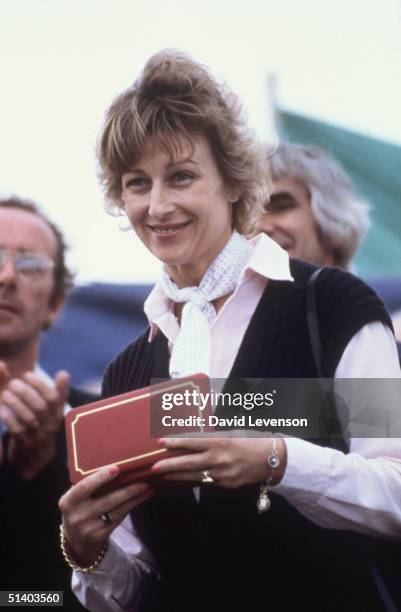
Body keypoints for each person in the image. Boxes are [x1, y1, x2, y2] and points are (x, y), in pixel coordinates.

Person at [59, 50, 401, 612]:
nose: (158, 205)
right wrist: (84, 549)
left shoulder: (332, 305)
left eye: (182, 177)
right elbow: (136, 586)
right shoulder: (128, 369)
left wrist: (279, 460)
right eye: (136, 183)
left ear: (235, 183)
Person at [0, 197, 93, 609]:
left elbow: (59, 598)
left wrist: (43, 471)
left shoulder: (92, 423)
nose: (6, 277)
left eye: (31, 265)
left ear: (55, 303)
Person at [255, 142, 370, 269]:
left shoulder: (359, 289)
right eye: (247, 214)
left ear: (332, 219)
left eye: (281, 207)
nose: (260, 226)